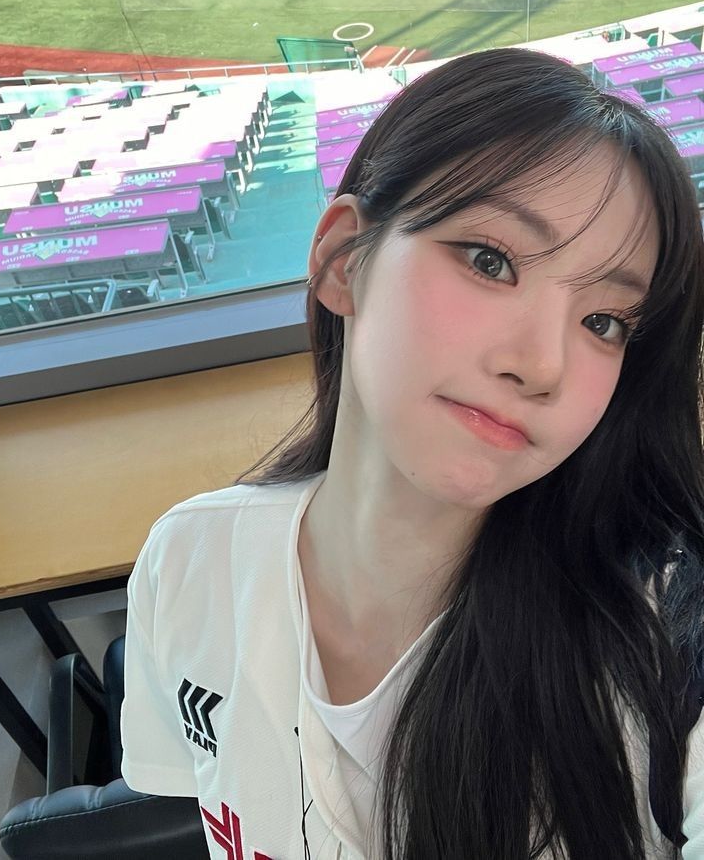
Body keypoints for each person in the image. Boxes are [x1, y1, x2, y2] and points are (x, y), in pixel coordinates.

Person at [120, 47, 704, 860]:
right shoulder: (189, 562)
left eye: (603, 322)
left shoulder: (663, 638)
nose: (542, 365)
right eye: (491, 260)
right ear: (343, 261)